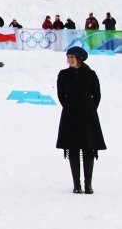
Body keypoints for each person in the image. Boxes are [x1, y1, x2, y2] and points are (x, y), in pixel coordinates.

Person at [56, 46, 106, 194]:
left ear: (79, 58)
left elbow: (97, 95)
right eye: (68, 56)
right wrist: (70, 107)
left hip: (88, 115)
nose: (70, 59)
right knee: (72, 147)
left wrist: (89, 108)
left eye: (72, 57)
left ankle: (88, 184)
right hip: (70, 114)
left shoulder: (90, 74)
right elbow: (61, 95)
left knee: (88, 146)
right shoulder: (63, 74)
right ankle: (76, 185)